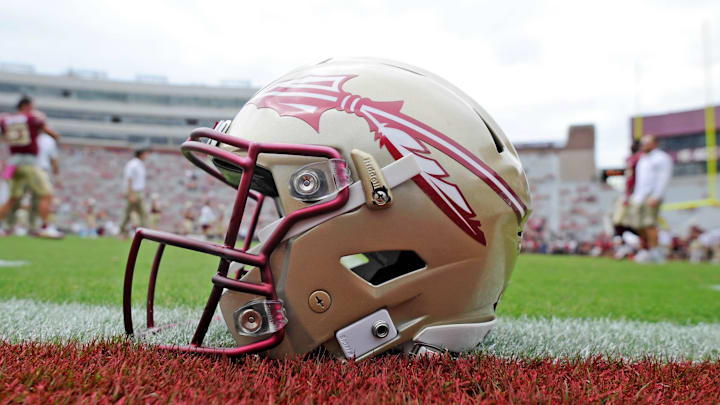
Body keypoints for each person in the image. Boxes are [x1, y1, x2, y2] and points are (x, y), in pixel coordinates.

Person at [0, 96, 63, 238]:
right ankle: (45, 227)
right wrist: (55, 135)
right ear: (26, 106)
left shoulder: (6, 119)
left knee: (12, 198)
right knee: (47, 194)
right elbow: (52, 133)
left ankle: (6, 227)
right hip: (28, 163)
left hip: (12, 163)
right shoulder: (32, 118)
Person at [631, 135, 673, 263]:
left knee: (650, 224)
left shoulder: (662, 158)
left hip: (651, 195)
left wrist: (656, 195)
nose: (643, 145)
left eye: (646, 143)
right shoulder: (642, 159)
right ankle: (648, 249)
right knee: (637, 225)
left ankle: (655, 252)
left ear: (654, 144)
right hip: (639, 196)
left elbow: (664, 178)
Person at [120, 147, 149, 235]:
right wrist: (131, 193)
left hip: (139, 191)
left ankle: (145, 233)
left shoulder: (140, 164)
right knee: (128, 213)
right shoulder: (133, 164)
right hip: (134, 191)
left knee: (143, 212)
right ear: (141, 154)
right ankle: (122, 231)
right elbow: (129, 179)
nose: (147, 156)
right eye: (145, 153)